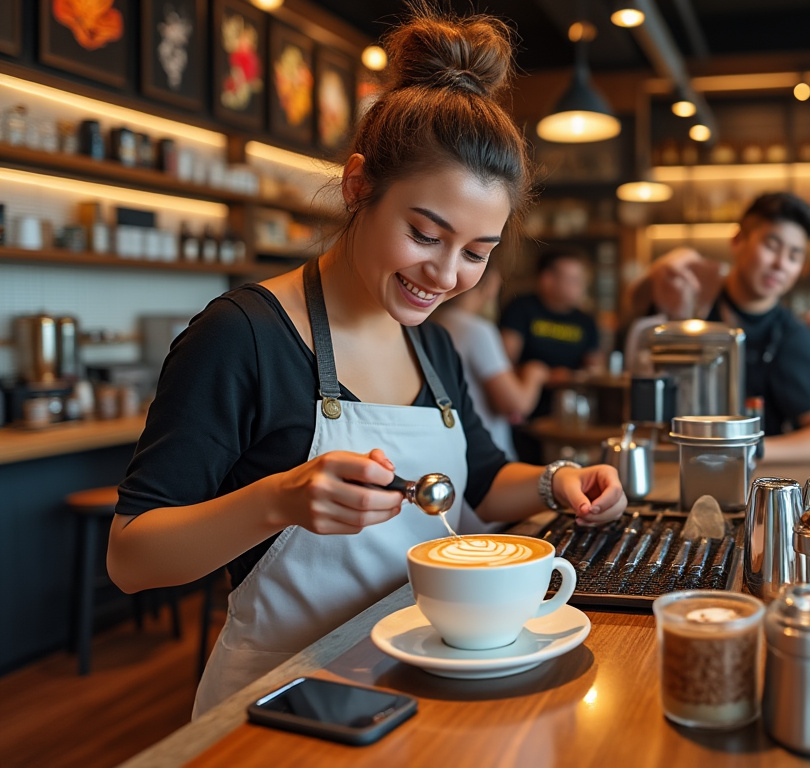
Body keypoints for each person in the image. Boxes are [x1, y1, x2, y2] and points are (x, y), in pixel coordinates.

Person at [106, 11, 626, 717]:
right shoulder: (243, 335)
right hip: (283, 704)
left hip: (417, 683)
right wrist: (278, 501)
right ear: (357, 187)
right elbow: (132, 558)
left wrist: (555, 480)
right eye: (425, 233)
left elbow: (476, 475)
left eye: (476, 252)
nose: (444, 275)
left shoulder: (431, 343)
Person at [626, 192, 810, 464]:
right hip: (664, 461)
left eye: (794, 255)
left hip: (745, 482)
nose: (781, 264)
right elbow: (634, 303)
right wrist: (660, 269)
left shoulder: (791, 335)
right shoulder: (696, 293)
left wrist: (740, 449)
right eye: (771, 246)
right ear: (738, 241)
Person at [432, 263, 548, 462]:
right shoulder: (477, 330)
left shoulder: (433, 322)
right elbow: (516, 404)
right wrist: (534, 374)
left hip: (448, 448)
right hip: (487, 455)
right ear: (489, 283)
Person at [498, 250, 601, 461]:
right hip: (524, 413)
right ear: (547, 280)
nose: (581, 287)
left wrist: (570, 377)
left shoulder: (585, 321)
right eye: (573, 280)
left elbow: (596, 370)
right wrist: (542, 375)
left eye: (582, 280)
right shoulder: (521, 308)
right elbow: (502, 363)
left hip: (571, 414)